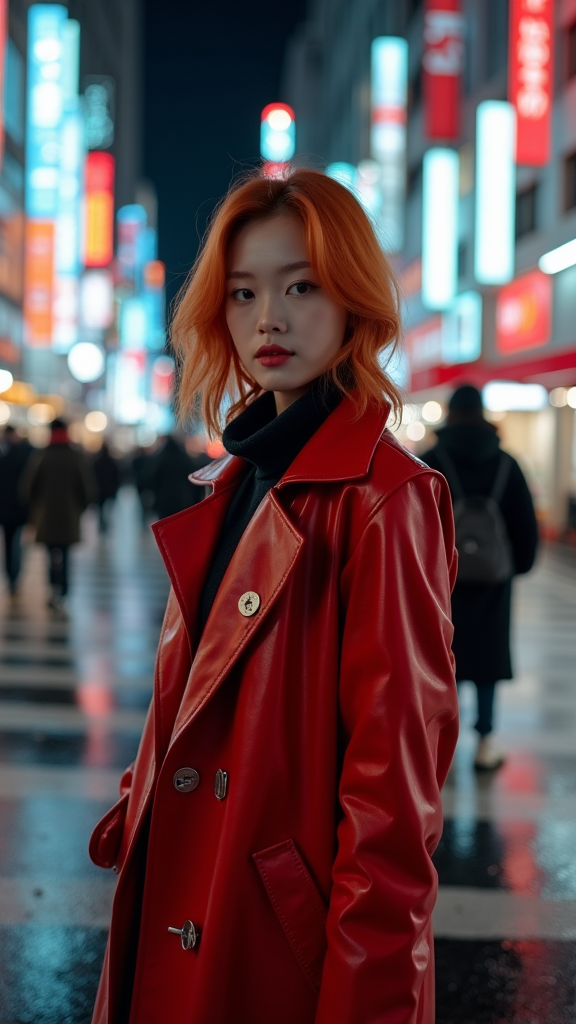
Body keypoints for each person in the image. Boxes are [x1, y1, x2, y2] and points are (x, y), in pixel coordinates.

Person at [89, 169, 458, 1024]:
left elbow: (393, 806)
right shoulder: (235, 478)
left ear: (354, 300)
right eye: (245, 292)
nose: (270, 319)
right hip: (185, 886)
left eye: (301, 287)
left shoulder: (384, 498)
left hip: (275, 943)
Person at [422, 384, 539, 770]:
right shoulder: (507, 463)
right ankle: (486, 742)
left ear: (450, 413)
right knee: (488, 661)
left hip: (441, 584)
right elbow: (525, 527)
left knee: (442, 659)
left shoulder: (430, 461)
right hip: (494, 582)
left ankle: (443, 741)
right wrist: (513, 567)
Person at [21, 419, 96, 610]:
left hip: (45, 517)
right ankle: (64, 592)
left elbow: (28, 489)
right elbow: (88, 490)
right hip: (70, 517)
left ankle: (52, 590)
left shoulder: (41, 456)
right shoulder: (76, 457)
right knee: (66, 555)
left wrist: (35, 509)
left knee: (50, 554)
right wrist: (80, 508)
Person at [0, 426, 32, 596]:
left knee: (12, 542)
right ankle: (13, 575)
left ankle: (12, 576)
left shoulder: (9, 455)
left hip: (12, 508)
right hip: (14, 508)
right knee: (14, 543)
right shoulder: (23, 455)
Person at [147, 432, 206, 519]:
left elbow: (150, 479)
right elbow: (194, 477)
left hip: (164, 501)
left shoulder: (160, 458)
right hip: (182, 500)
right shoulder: (183, 457)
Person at [92, 441, 121, 532]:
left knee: (101, 509)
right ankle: (107, 524)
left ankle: (102, 524)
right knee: (108, 509)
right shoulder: (112, 462)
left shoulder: (96, 462)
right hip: (109, 490)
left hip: (99, 490)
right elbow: (117, 477)